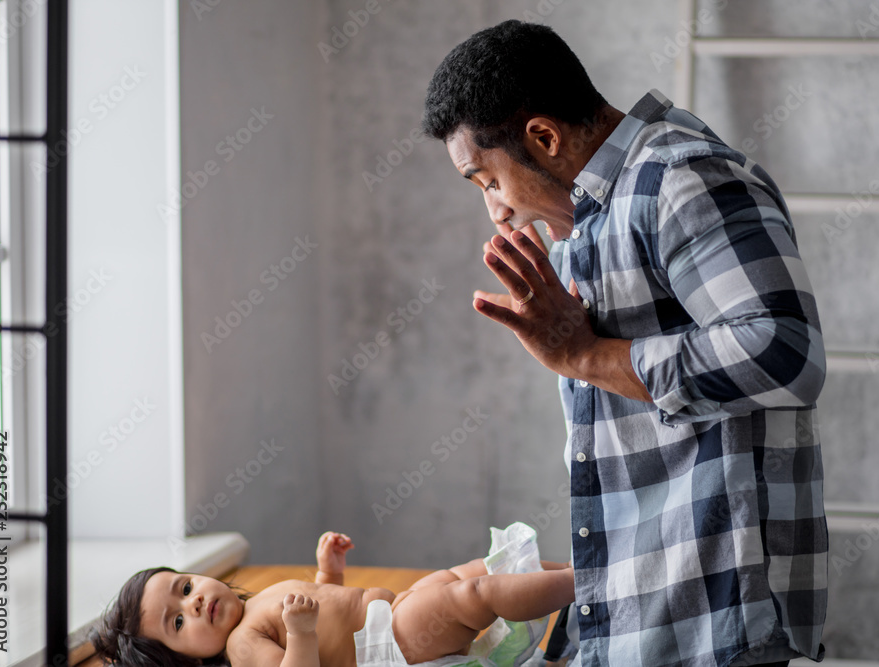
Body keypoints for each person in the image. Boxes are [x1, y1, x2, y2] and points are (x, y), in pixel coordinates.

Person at [421, 19, 828, 667]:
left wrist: (583, 356)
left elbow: (784, 353)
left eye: (488, 181)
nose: (495, 211)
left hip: (717, 619)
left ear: (545, 137)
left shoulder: (682, 178)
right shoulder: (589, 219)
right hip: (653, 617)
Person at [91, 530, 575, 667]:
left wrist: (329, 572)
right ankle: (590, 582)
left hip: (396, 612)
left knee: (476, 571)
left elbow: (326, 612)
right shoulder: (241, 647)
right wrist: (299, 631)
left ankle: (581, 567)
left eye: (186, 588)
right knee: (475, 593)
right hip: (391, 646)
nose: (193, 604)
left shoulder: (254, 606)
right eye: (177, 624)